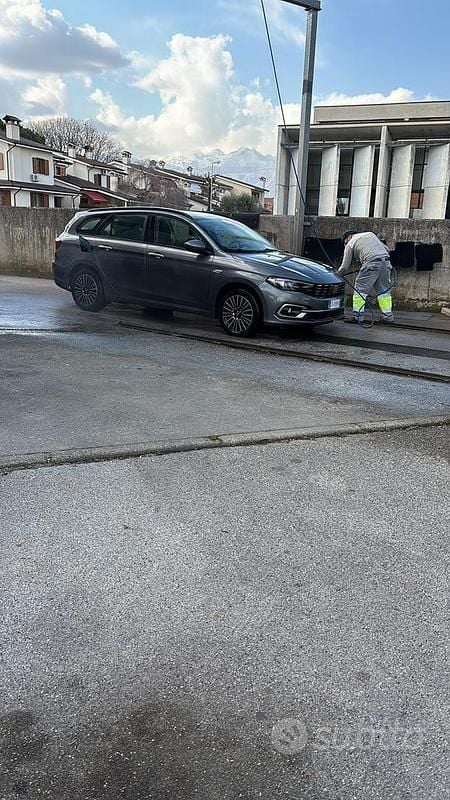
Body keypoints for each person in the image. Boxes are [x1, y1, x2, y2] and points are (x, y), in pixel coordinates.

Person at [338, 230, 394, 324]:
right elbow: (386, 249)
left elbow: (344, 266)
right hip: (386, 262)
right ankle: (388, 317)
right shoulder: (370, 234)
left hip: (371, 263)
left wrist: (337, 274)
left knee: (360, 291)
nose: (345, 245)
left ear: (348, 237)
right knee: (384, 292)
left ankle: (358, 317)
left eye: (344, 243)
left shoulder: (350, 243)